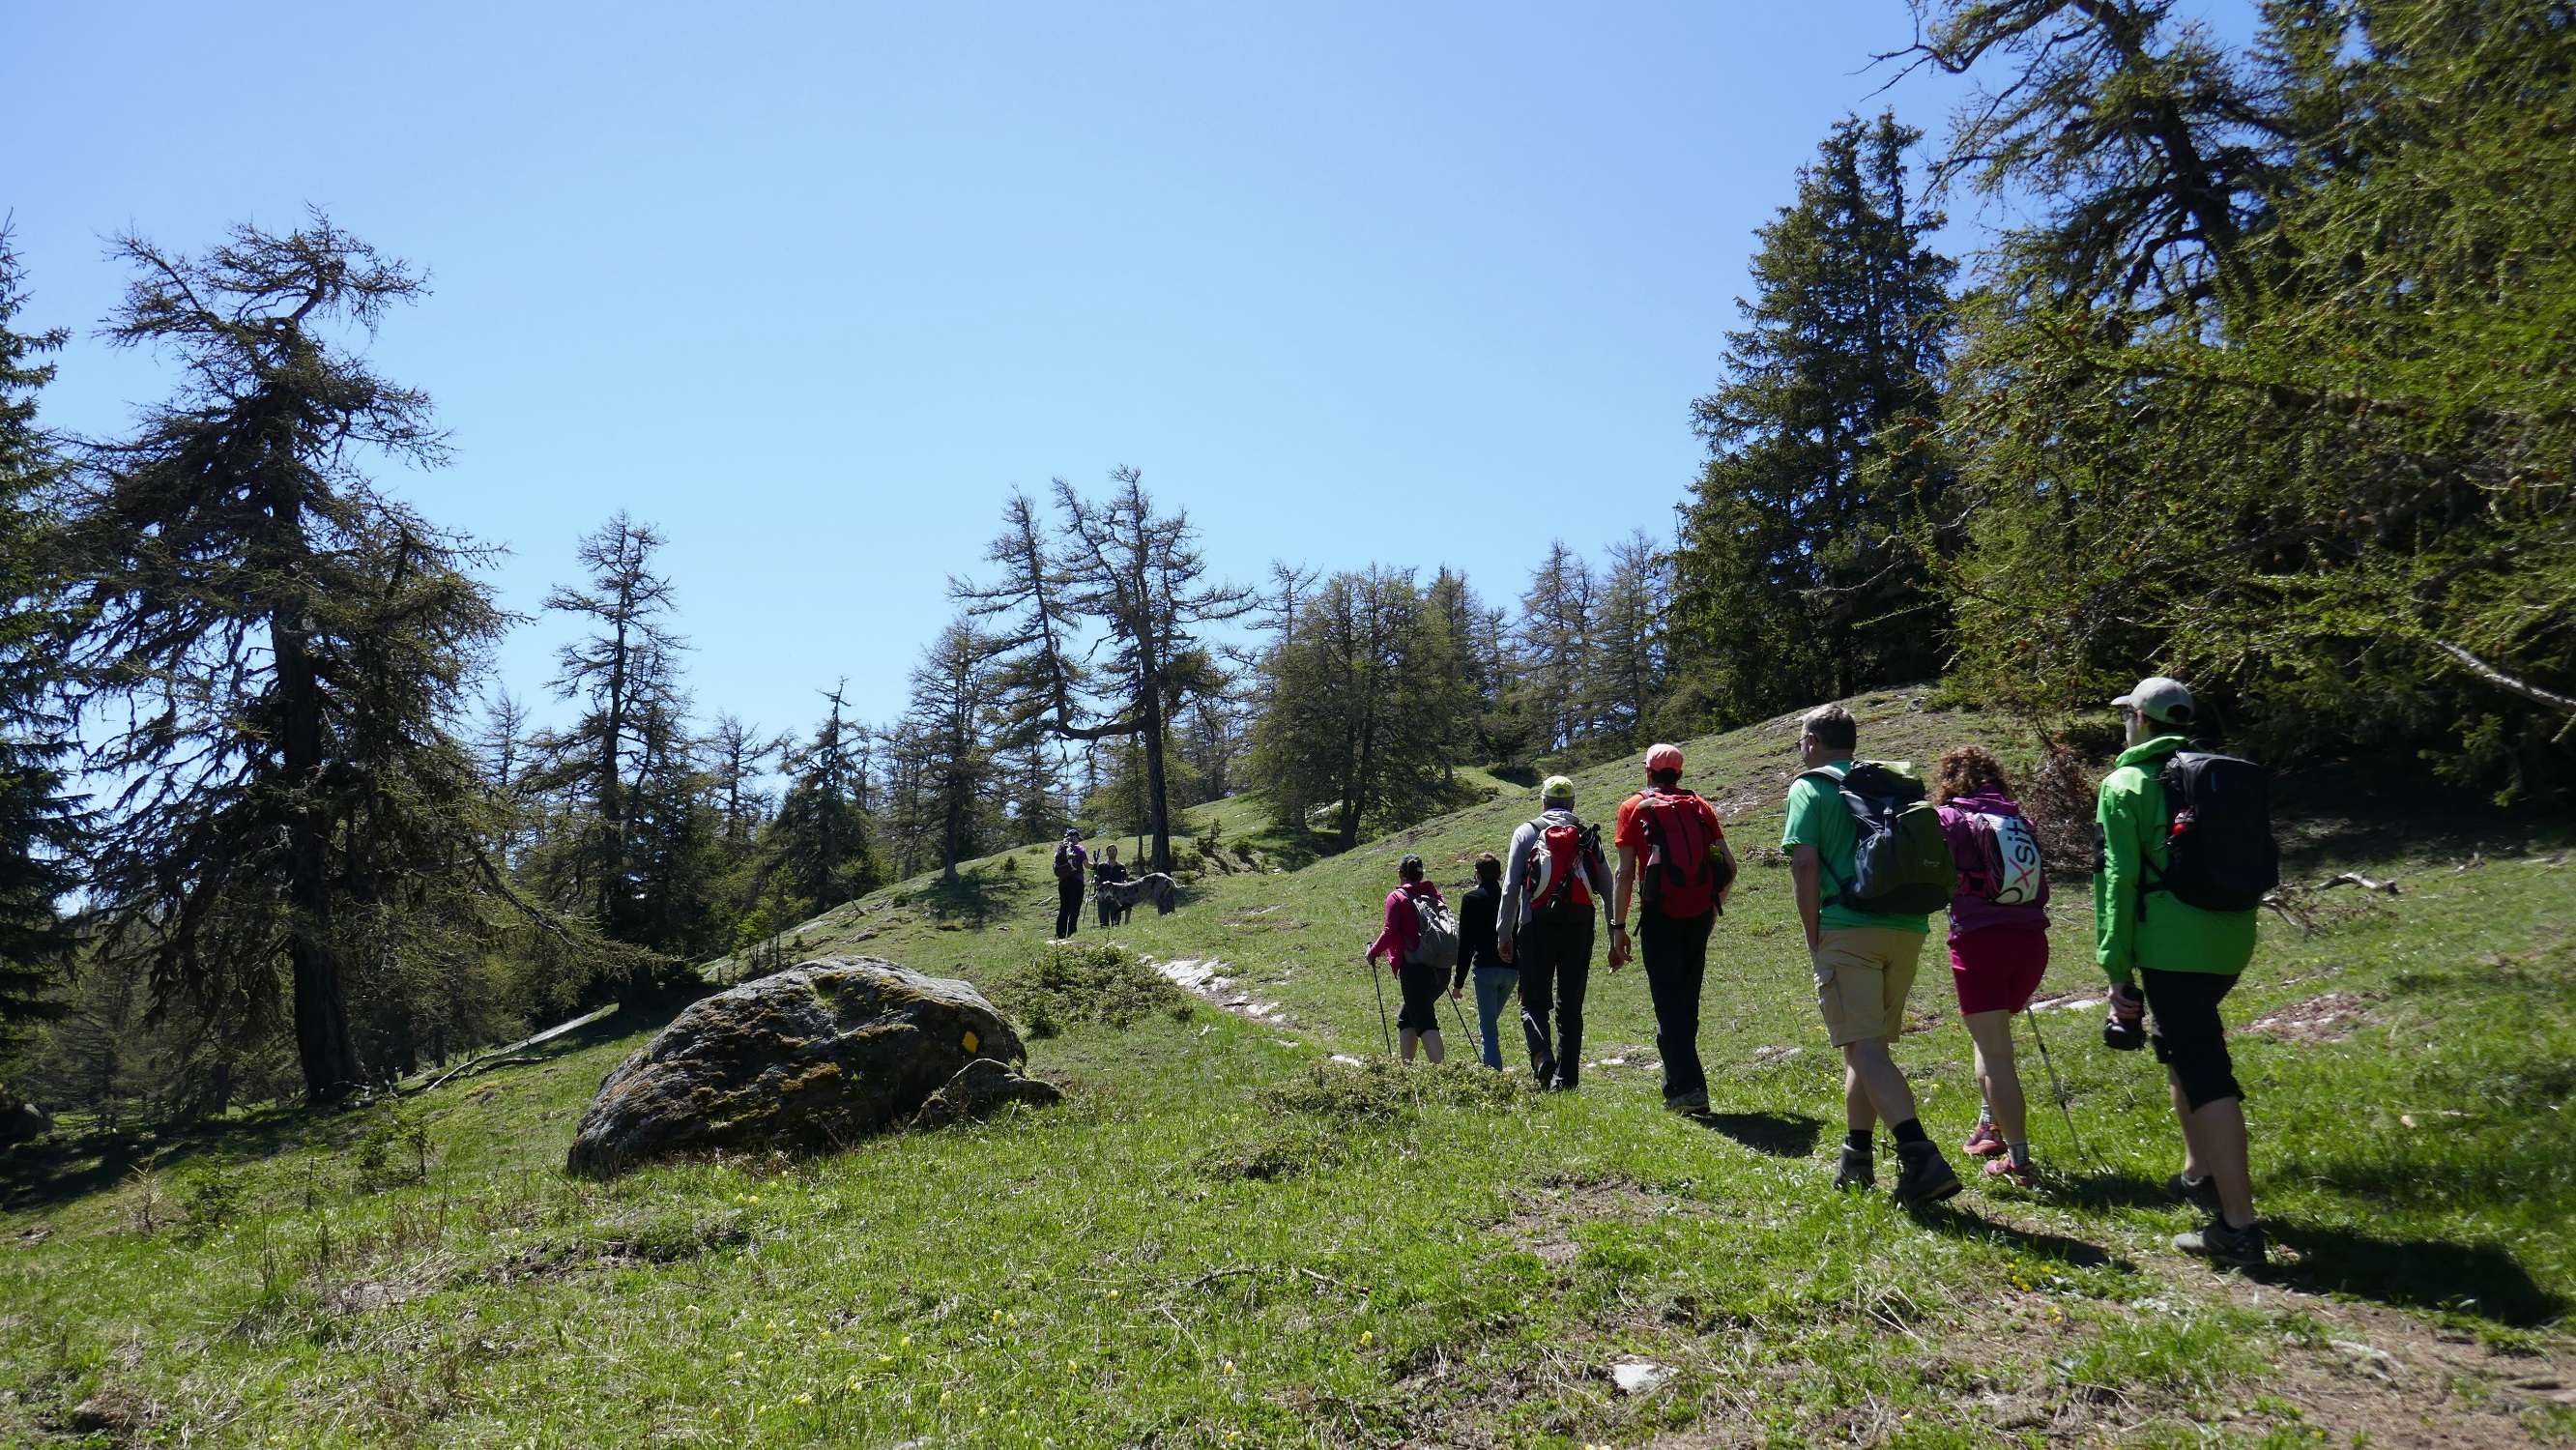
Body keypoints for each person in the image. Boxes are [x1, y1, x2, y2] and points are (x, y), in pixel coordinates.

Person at [2097, 676, 2266, 1267]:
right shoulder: (2218, 772)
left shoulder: (2125, 782)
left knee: (2203, 1066)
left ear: (2139, 719)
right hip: (2231, 937)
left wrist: (2116, 968)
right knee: (2177, 1041)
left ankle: (2238, 1227)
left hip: (2172, 948)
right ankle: (2199, 1173)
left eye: (2127, 715)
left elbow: (2116, 879)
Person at [1784, 703, 1962, 1204]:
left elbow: (1804, 864)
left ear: (1814, 741)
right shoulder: (1885, 782)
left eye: (1802, 738)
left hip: (1848, 929)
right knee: (1866, 1046)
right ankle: (1857, 1158)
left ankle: (1919, 1155)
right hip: (1907, 928)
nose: (1801, 747)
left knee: (1863, 1047)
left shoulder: (1811, 786)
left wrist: (1812, 933)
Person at [1927, 744, 2050, 1187]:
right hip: (2032, 942)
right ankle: (1987, 1126)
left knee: (1996, 1052)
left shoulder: (1950, 818)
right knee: (1992, 1040)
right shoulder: (2020, 822)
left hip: (1979, 943)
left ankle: (2017, 1161)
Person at [1611, 742, 1736, 1115]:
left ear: (1647, 771)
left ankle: (1693, 1088)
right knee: (1686, 1003)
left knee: (1668, 1005)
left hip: (1659, 914)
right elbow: (1729, 866)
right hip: (1698, 913)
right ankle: (1676, 1087)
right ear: (1679, 773)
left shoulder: (1634, 808)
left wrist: (1618, 927)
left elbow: (1624, 873)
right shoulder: (1700, 806)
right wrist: (1713, 909)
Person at [1498, 775, 1614, 1090]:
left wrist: (1504, 934)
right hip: (1580, 926)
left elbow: (1510, 888)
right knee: (1570, 1007)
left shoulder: (1526, 832)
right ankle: (1566, 1081)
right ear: (1573, 804)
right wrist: (1614, 933)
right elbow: (1607, 886)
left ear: (1543, 802)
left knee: (1533, 1001)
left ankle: (1541, 1054)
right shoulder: (1587, 837)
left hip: (1535, 926)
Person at [1366, 854, 1449, 1063]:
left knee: (1424, 1020)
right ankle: (1407, 1069)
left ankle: (1445, 1075)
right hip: (1441, 968)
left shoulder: (1397, 897)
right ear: (1422, 874)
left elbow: (1389, 931)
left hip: (1415, 969)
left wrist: (1372, 952)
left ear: (1400, 874)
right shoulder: (1435, 896)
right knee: (1407, 1017)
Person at [1450, 854, 1514, 1070]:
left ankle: (1493, 1077)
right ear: (1498, 874)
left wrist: (1458, 982)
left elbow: (1465, 944)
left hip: (1486, 970)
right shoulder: (1510, 898)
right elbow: (1521, 936)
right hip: (1512, 971)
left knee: (1488, 1030)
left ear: (1477, 874)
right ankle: (1488, 1067)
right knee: (1488, 1023)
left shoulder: (1471, 900)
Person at [1051, 828, 1089, 940]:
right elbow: (1087, 865)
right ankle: (1071, 933)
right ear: (1076, 837)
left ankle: (1060, 935)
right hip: (1076, 882)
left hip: (1063, 882)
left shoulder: (1061, 849)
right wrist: (1095, 865)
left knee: (1064, 909)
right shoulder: (1080, 849)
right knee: (1074, 909)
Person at [1092, 843, 1131, 928]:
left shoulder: (1121, 866)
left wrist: (1125, 883)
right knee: (1103, 920)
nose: (1112, 852)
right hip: (1103, 895)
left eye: (1114, 850)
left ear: (1116, 852)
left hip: (1116, 896)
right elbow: (1097, 878)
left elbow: (1124, 879)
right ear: (1107, 853)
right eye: (1110, 851)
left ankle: (1115, 935)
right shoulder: (1101, 866)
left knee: (1116, 920)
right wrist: (1095, 883)